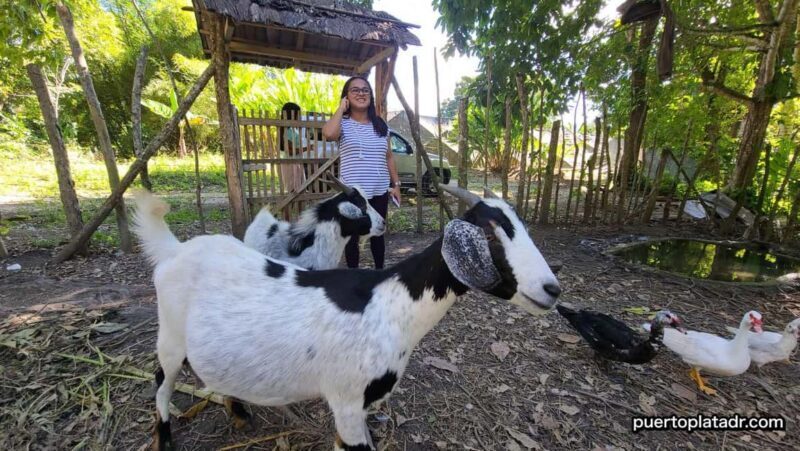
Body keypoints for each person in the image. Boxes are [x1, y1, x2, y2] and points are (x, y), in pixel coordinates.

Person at [322, 76, 401, 269]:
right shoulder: (342, 123)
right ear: (346, 96)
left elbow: (389, 156)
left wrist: (396, 185)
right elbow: (328, 134)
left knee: (378, 233)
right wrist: (341, 109)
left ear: (370, 96)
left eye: (365, 90)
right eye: (355, 90)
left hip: (379, 190)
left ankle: (379, 273)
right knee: (352, 237)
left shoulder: (381, 125)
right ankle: (353, 276)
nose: (361, 93)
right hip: (353, 194)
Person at [278, 102, 308, 194]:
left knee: (298, 190)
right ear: (292, 115)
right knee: (294, 191)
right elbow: (290, 151)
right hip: (291, 164)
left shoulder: (292, 129)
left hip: (295, 162)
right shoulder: (288, 131)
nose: (299, 117)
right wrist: (306, 148)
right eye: (298, 114)